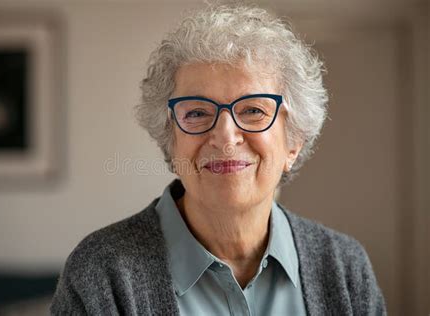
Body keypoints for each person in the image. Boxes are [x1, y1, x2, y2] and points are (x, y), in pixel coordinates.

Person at [51, 4, 386, 315]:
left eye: (254, 110)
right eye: (197, 112)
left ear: (293, 142)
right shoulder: (101, 272)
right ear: (171, 140)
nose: (225, 137)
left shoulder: (345, 268)